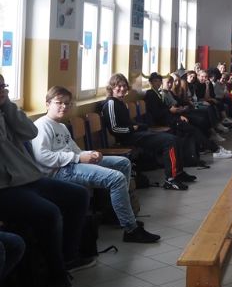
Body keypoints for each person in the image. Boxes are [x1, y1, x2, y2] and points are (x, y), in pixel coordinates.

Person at [32, 86, 160, 243]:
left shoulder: (62, 126)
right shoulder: (42, 125)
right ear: (47, 104)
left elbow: (75, 150)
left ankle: (116, 211)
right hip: (58, 172)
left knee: (123, 163)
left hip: (72, 164)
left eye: (67, 103)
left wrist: (91, 154)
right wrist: (79, 158)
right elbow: (42, 157)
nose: (64, 107)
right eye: (59, 103)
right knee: (117, 178)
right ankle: (130, 229)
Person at [0, 73, 90, 287]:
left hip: (28, 178)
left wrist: (7, 104)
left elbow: (30, 131)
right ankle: (56, 272)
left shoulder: (6, 110)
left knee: (79, 195)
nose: (2, 90)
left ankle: (68, 257)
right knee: (49, 212)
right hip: (5, 187)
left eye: (3, 86)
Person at [101, 73, 195, 190]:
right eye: (118, 86)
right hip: (128, 138)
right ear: (112, 88)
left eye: (124, 86)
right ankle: (171, 179)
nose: (122, 88)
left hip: (135, 135)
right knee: (170, 141)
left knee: (174, 138)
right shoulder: (110, 103)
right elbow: (114, 129)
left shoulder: (121, 102)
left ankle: (178, 173)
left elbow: (128, 122)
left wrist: (140, 126)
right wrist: (133, 128)